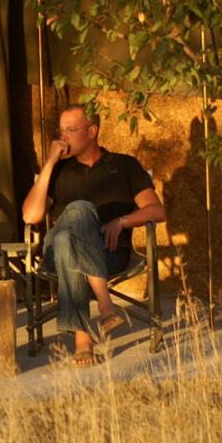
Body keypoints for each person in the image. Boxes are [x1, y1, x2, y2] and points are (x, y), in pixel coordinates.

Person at [21, 105, 166, 367]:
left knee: (68, 244)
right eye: (61, 131)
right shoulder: (58, 171)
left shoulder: (124, 165)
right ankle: (105, 304)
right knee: (79, 211)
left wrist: (122, 221)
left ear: (92, 131)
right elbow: (30, 217)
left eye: (71, 130)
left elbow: (157, 210)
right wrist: (50, 163)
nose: (63, 137)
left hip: (109, 252)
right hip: (55, 254)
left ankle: (83, 344)